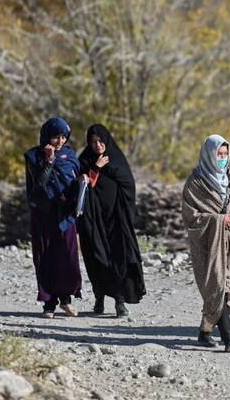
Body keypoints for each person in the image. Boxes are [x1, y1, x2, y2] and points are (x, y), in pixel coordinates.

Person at [182, 134, 230, 353]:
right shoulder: (196, 182)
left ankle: (205, 332)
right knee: (218, 287)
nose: (222, 158)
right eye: (218, 154)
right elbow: (191, 217)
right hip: (208, 245)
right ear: (208, 154)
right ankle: (229, 339)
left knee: (228, 288)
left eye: (225, 154)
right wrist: (220, 220)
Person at [77, 124, 146, 318]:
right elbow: (83, 186)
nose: (98, 145)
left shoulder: (117, 159)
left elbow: (128, 186)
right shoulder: (85, 160)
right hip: (94, 220)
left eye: (100, 141)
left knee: (118, 258)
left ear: (107, 140)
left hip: (116, 220)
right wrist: (96, 168)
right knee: (96, 258)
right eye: (93, 142)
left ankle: (119, 301)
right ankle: (99, 298)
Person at [24, 117, 82, 318]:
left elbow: (75, 180)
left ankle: (66, 300)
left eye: (64, 137)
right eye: (56, 137)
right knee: (45, 257)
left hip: (65, 215)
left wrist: (82, 182)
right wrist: (48, 161)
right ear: (46, 136)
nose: (60, 142)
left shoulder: (71, 156)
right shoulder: (33, 156)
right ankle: (49, 303)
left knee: (67, 257)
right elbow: (39, 185)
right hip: (43, 215)